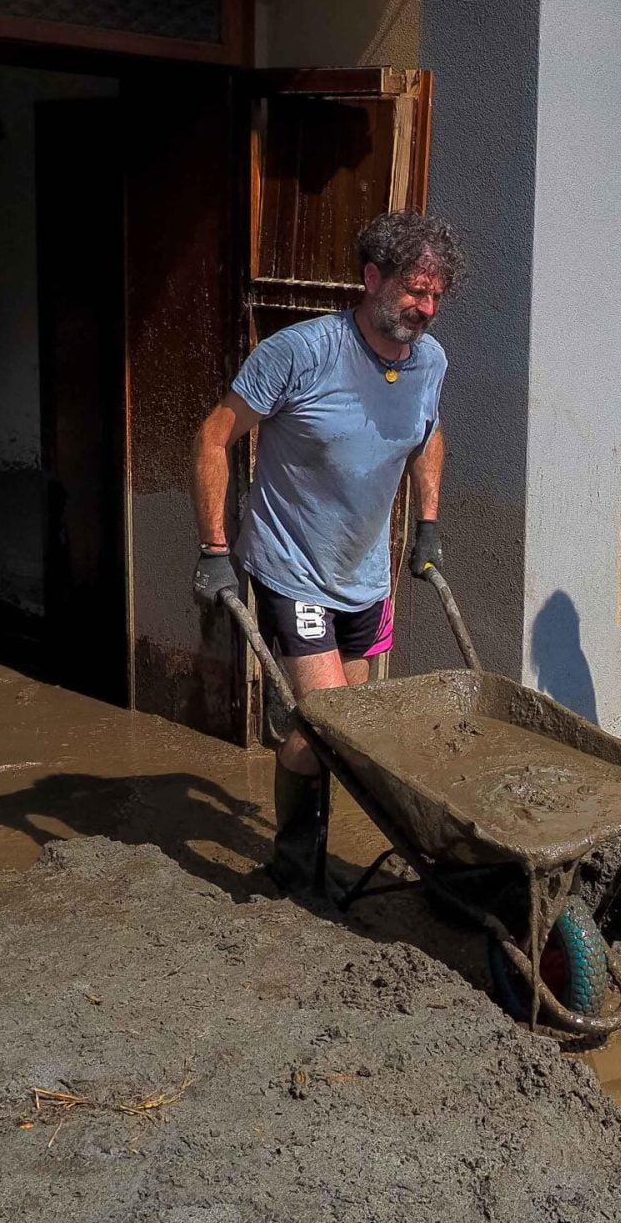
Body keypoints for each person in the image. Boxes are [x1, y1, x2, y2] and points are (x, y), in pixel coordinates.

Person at [191, 210, 461, 893]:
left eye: (436, 295)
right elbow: (214, 437)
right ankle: (294, 867)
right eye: (414, 291)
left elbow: (428, 433)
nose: (426, 309)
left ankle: (324, 849)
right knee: (329, 726)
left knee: (352, 727)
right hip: (294, 568)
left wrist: (426, 523)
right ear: (372, 278)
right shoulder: (299, 352)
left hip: (365, 574)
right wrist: (215, 546)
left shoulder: (429, 361)